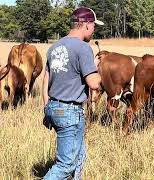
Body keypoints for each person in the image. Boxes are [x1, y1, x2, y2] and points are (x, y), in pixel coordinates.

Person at [42, 7, 103, 179]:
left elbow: (45, 81)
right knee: (65, 165)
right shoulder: (83, 48)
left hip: (54, 107)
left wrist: (47, 109)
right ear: (86, 25)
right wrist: (96, 68)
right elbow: (93, 83)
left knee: (79, 157)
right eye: (94, 26)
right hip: (70, 112)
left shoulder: (54, 47)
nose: (94, 30)